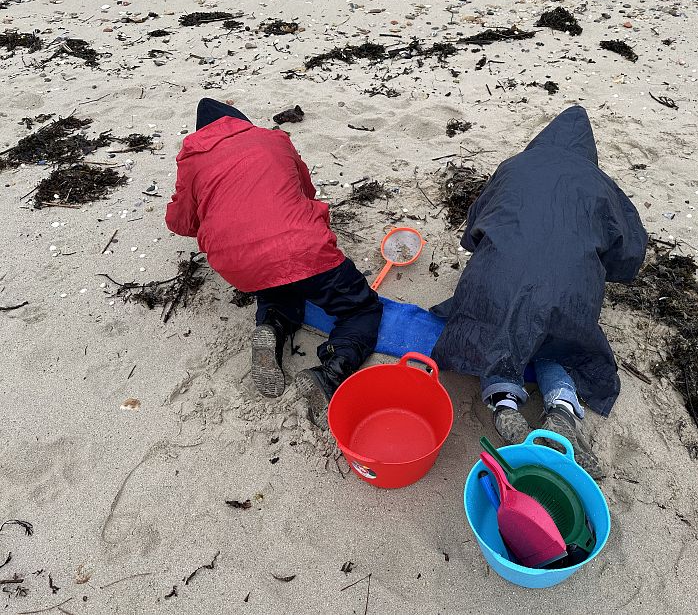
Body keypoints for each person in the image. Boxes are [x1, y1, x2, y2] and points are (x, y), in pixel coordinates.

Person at [431, 106, 648, 479]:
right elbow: (630, 253)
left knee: (496, 330)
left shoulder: (513, 166)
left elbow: (474, 230)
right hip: (566, 296)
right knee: (557, 339)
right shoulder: (601, 184)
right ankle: (561, 410)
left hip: (495, 283)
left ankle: (503, 404)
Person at [165, 98, 383, 425]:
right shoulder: (273, 139)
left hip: (238, 263)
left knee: (277, 282)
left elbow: (180, 223)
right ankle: (332, 370)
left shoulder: (194, 161)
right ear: (240, 122)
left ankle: (272, 325)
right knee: (360, 308)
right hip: (302, 246)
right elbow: (306, 190)